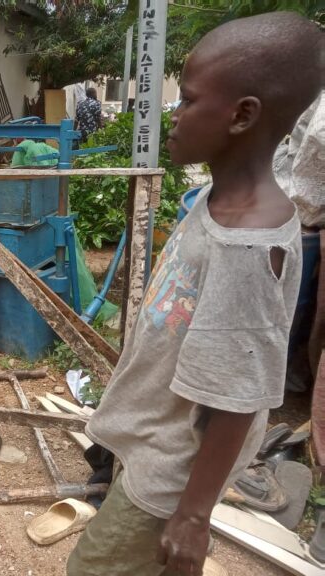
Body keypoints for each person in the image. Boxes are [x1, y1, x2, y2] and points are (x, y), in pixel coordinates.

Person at [65, 12, 321, 576]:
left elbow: (237, 396)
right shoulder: (215, 200)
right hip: (158, 442)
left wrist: (194, 515)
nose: (172, 117)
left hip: (173, 472)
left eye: (187, 102)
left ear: (242, 116)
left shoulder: (245, 247)